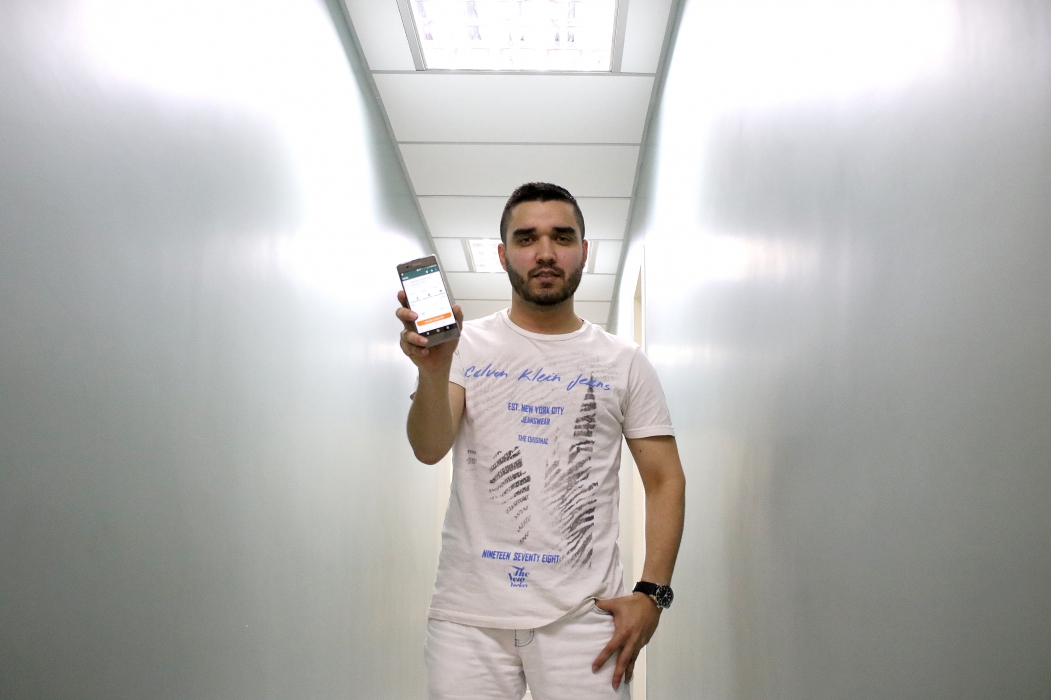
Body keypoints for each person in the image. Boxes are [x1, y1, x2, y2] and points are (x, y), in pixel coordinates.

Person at [396, 182, 686, 700]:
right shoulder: (465, 346)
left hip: (586, 620)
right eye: (527, 238)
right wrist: (434, 371)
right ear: (503, 254)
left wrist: (652, 594)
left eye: (562, 237)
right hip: (468, 620)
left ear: (584, 251)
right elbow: (429, 447)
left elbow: (665, 479)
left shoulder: (624, 362)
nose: (546, 252)